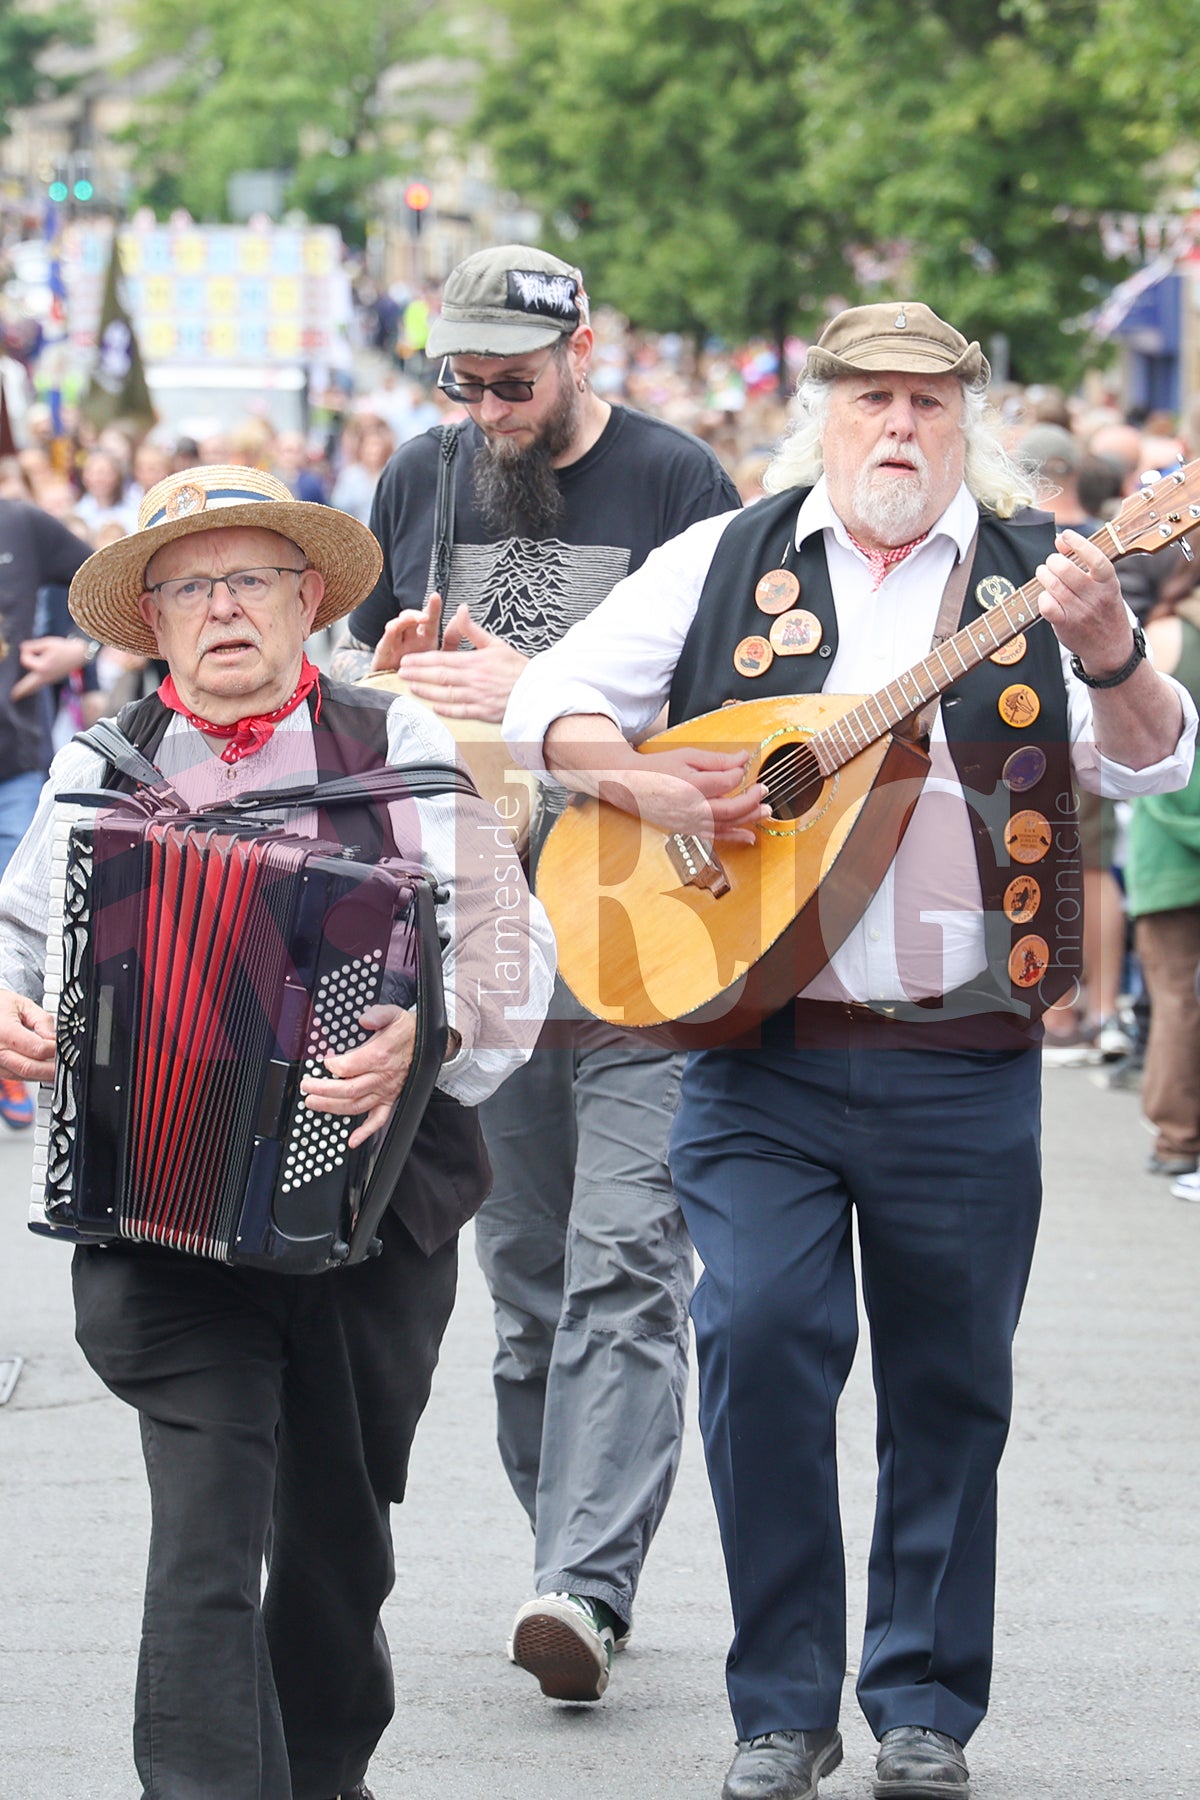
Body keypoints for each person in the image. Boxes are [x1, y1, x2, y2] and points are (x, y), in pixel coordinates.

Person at [503, 302, 1195, 1799]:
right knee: (754, 1347)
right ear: (823, 412)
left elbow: (1158, 755)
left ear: (971, 425)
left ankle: (927, 1705)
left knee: (950, 1386)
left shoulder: (1039, 574)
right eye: (872, 399)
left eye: (929, 405)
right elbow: (540, 698)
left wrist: (1113, 645)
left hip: (964, 1050)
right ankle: (782, 1706)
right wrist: (649, 785)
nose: (899, 428)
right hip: (763, 1051)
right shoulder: (727, 557)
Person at [0, 464, 555, 1800]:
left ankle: (322, 1775)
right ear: (150, 617)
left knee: (332, 1551)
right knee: (202, 1545)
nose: (224, 607)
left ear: (309, 599)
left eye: (251, 577)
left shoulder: (406, 751)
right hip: (155, 1212)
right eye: (191, 584)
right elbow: (21, 942)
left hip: (367, 1220)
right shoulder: (104, 768)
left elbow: (510, 956)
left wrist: (424, 1038)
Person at [335, 243, 740, 1704]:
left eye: (515, 378)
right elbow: (374, 703)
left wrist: (544, 699)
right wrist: (387, 666)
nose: (491, 407)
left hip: (641, 932)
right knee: (524, 1289)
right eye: (466, 380)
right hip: (484, 942)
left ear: (586, 350)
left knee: (630, 1263)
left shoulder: (682, 484)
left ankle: (586, 1582)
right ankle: (567, 1548)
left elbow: (727, 730)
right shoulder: (421, 477)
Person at [0, 489, 92, 1128]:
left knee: (12, 921)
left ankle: (9, 1065)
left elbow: (109, 580)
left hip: (17, 756)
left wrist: (77, 649)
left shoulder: (20, 522)